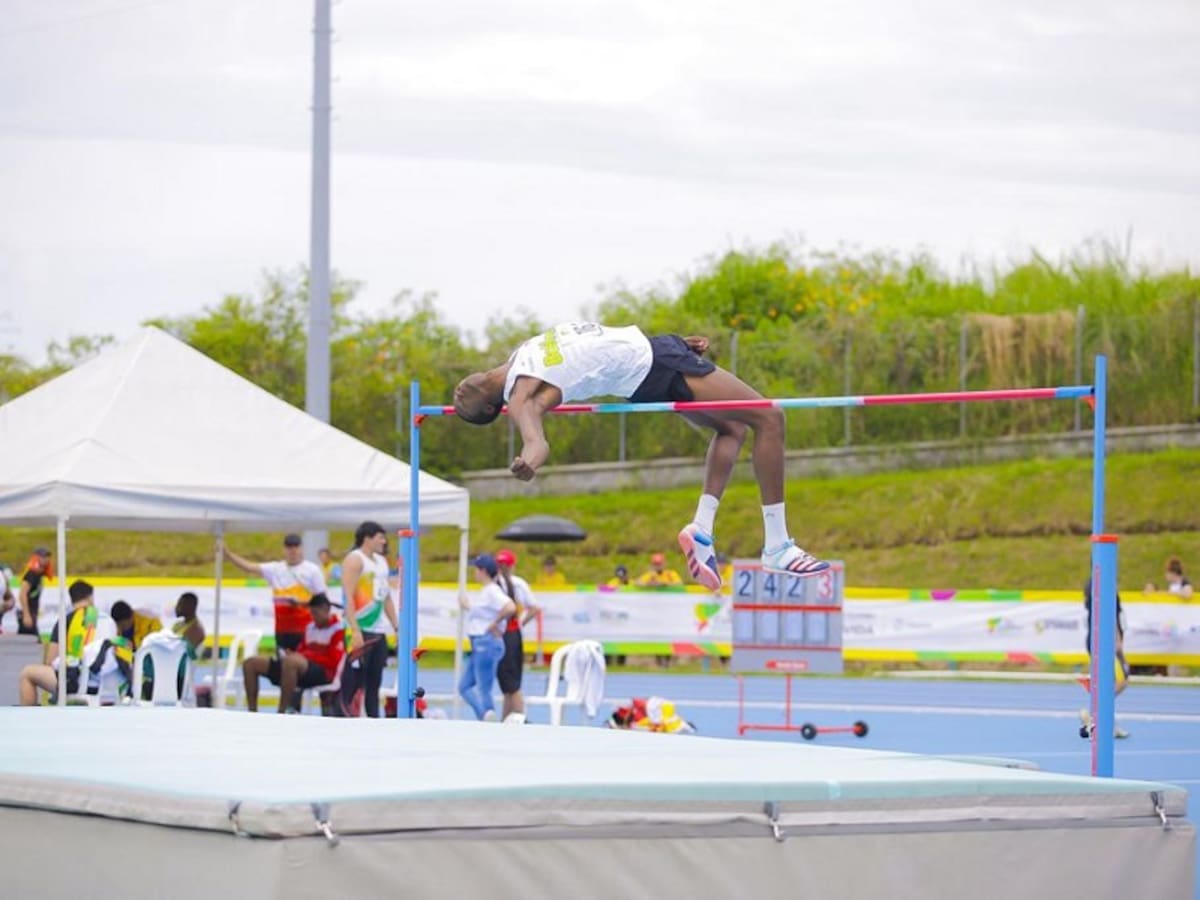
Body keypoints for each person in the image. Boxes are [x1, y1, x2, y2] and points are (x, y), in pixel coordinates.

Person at [451, 322, 829, 591]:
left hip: (656, 353)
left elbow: (593, 345)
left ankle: (701, 528)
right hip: (654, 368)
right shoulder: (521, 393)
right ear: (489, 405)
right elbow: (534, 434)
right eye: (462, 396)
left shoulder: (521, 354)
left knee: (733, 428)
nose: (457, 391)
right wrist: (530, 456)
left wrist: (675, 344)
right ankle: (778, 545)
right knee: (770, 417)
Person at [220, 534, 327, 657]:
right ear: (284, 550)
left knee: (302, 667)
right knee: (284, 667)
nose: (293, 550)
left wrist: (301, 603)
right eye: (289, 547)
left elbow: (322, 601)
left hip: (305, 630)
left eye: (296, 546)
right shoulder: (276, 569)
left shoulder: (312, 570)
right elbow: (249, 567)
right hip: (282, 630)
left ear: (301, 549)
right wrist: (228, 555)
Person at [243, 593, 344, 714]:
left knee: (291, 662)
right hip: (300, 667)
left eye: (316, 613)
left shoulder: (338, 630)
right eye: (311, 614)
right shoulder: (310, 628)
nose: (314, 617)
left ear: (326, 610)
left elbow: (333, 661)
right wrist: (293, 653)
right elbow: (302, 650)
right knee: (251, 663)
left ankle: (282, 711)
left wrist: (304, 656)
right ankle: (252, 711)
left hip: (323, 673)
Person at [340, 521, 398, 718]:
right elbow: (347, 596)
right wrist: (355, 630)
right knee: (355, 681)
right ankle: (344, 719)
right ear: (367, 538)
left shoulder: (382, 562)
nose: (384, 541)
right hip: (359, 627)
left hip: (378, 629)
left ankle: (374, 720)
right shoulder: (355, 560)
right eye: (380, 537)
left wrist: (396, 626)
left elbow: (386, 596)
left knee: (375, 681)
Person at [17, 579, 97, 705]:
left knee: (27, 673)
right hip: (106, 680)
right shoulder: (106, 620)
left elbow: (50, 660)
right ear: (90, 597)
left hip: (76, 681)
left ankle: (29, 719)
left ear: (72, 599)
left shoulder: (66, 621)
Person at [458, 553, 516, 721]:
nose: (474, 573)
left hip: (486, 642)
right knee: (464, 686)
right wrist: (467, 605)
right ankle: (484, 715)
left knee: (484, 687)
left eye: (476, 569)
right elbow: (482, 613)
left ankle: (487, 716)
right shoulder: (486, 592)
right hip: (479, 642)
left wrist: (495, 622)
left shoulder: (492, 591)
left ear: (483, 571)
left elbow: (510, 607)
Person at [494, 548, 541, 721]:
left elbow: (534, 608)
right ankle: (505, 720)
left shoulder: (507, 584)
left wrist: (517, 623)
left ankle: (521, 718)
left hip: (506, 635)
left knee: (512, 685)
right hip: (510, 634)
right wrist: (520, 623)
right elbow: (534, 608)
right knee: (507, 685)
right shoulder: (512, 583)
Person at [1081, 577, 1130, 739]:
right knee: (1120, 681)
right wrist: (1116, 638)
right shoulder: (1102, 587)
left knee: (1113, 682)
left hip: (1100, 639)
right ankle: (1094, 714)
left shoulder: (1093, 585)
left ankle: (1105, 720)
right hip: (1105, 641)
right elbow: (1110, 614)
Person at [17, 546, 53, 638]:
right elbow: (22, 594)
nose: (46, 559)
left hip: (32, 614)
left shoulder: (39, 574)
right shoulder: (32, 574)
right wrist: (26, 615)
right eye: (43, 557)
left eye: (47, 557)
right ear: (36, 557)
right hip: (27, 614)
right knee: (30, 643)